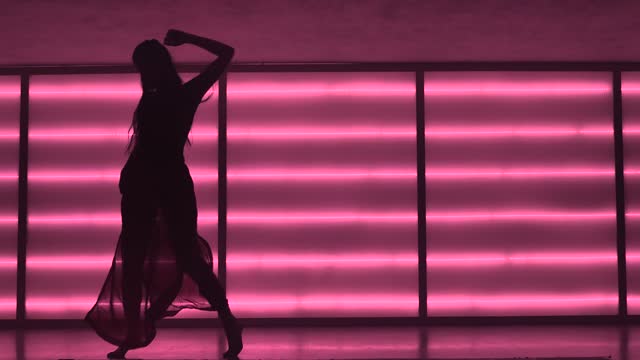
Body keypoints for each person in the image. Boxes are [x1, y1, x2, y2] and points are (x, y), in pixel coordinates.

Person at [84, 29, 242, 359]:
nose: (142, 75)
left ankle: (222, 322)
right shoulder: (170, 96)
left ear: (153, 67)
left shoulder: (175, 96)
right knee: (155, 259)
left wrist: (187, 37)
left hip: (156, 182)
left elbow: (226, 53)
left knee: (172, 258)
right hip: (156, 183)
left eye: (143, 68)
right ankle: (135, 335)